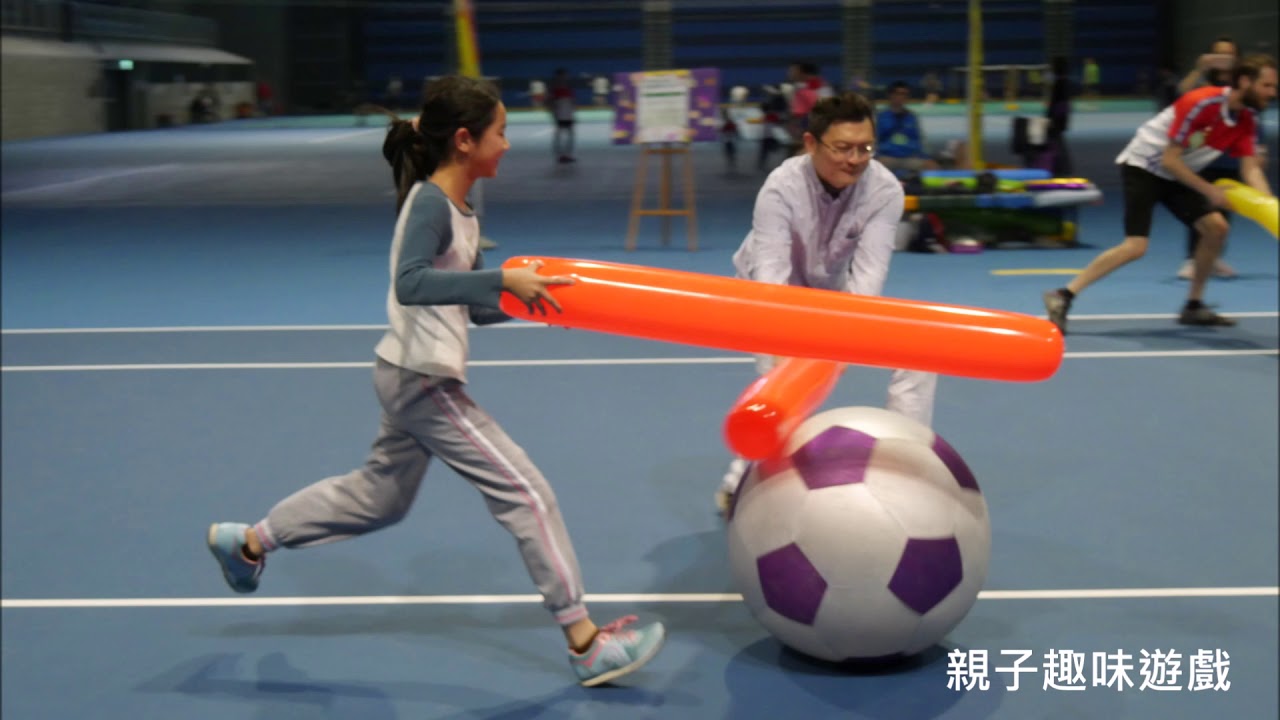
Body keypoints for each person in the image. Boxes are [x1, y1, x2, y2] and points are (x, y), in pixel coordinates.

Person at [206, 75, 666, 688]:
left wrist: (536, 304)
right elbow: (412, 283)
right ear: (465, 140)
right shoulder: (429, 203)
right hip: (422, 381)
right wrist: (501, 279)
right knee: (526, 494)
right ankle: (585, 642)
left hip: (406, 375)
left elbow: (471, 306)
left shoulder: (463, 210)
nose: (507, 144)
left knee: (380, 498)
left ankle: (249, 542)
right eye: (501, 132)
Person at [714, 92, 939, 513]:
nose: (854, 160)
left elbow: (869, 276)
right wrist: (788, 355)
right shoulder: (780, 188)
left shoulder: (885, 190)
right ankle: (742, 482)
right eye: (842, 148)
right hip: (766, 292)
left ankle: (905, 466)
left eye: (865, 148)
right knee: (782, 389)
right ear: (811, 143)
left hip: (833, 295)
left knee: (920, 352)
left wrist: (846, 341)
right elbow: (771, 280)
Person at [1042, 54, 1277, 334]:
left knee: (1216, 228)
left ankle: (1193, 306)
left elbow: (1251, 169)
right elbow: (1169, 160)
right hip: (1145, 166)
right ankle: (1063, 295)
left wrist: (1270, 207)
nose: (1272, 93)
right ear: (1245, 81)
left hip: (1179, 172)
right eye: (1267, 86)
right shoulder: (1203, 103)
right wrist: (1209, 190)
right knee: (1136, 246)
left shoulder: (1247, 119)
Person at [1175, 36, 1245, 280]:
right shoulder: (1203, 83)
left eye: (1229, 55)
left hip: (1230, 158)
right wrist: (1199, 68)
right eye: (1219, 54)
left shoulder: (1241, 84)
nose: (1224, 60)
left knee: (1225, 211)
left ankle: (1213, 257)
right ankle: (1192, 258)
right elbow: (1182, 92)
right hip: (1202, 158)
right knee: (1201, 212)